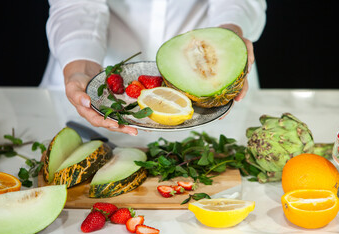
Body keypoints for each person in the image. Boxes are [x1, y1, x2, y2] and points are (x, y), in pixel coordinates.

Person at [40, 0, 267, 136]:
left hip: (213, 67)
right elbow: (78, 4)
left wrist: (229, 37)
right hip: (103, 76)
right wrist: (81, 64)